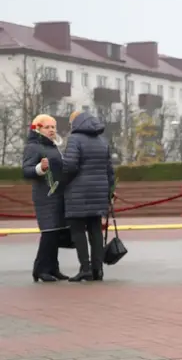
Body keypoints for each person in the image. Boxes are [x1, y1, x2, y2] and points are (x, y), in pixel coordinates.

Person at [62, 110, 115, 282]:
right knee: (95, 231)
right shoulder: (102, 141)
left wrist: (62, 182)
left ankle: (85, 268)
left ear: (76, 122)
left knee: (78, 231)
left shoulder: (74, 139)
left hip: (78, 193)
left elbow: (70, 166)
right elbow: (109, 170)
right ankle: (97, 269)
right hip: (99, 192)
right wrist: (109, 191)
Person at [22, 114, 69, 282]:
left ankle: (53, 268)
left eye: (53, 127)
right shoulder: (33, 147)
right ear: (38, 129)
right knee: (49, 233)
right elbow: (26, 171)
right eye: (47, 127)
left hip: (58, 194)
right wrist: (39, 168)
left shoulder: (54, 146)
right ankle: (40, 269)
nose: (51, 130)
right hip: (45, 196)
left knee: (56, 233)